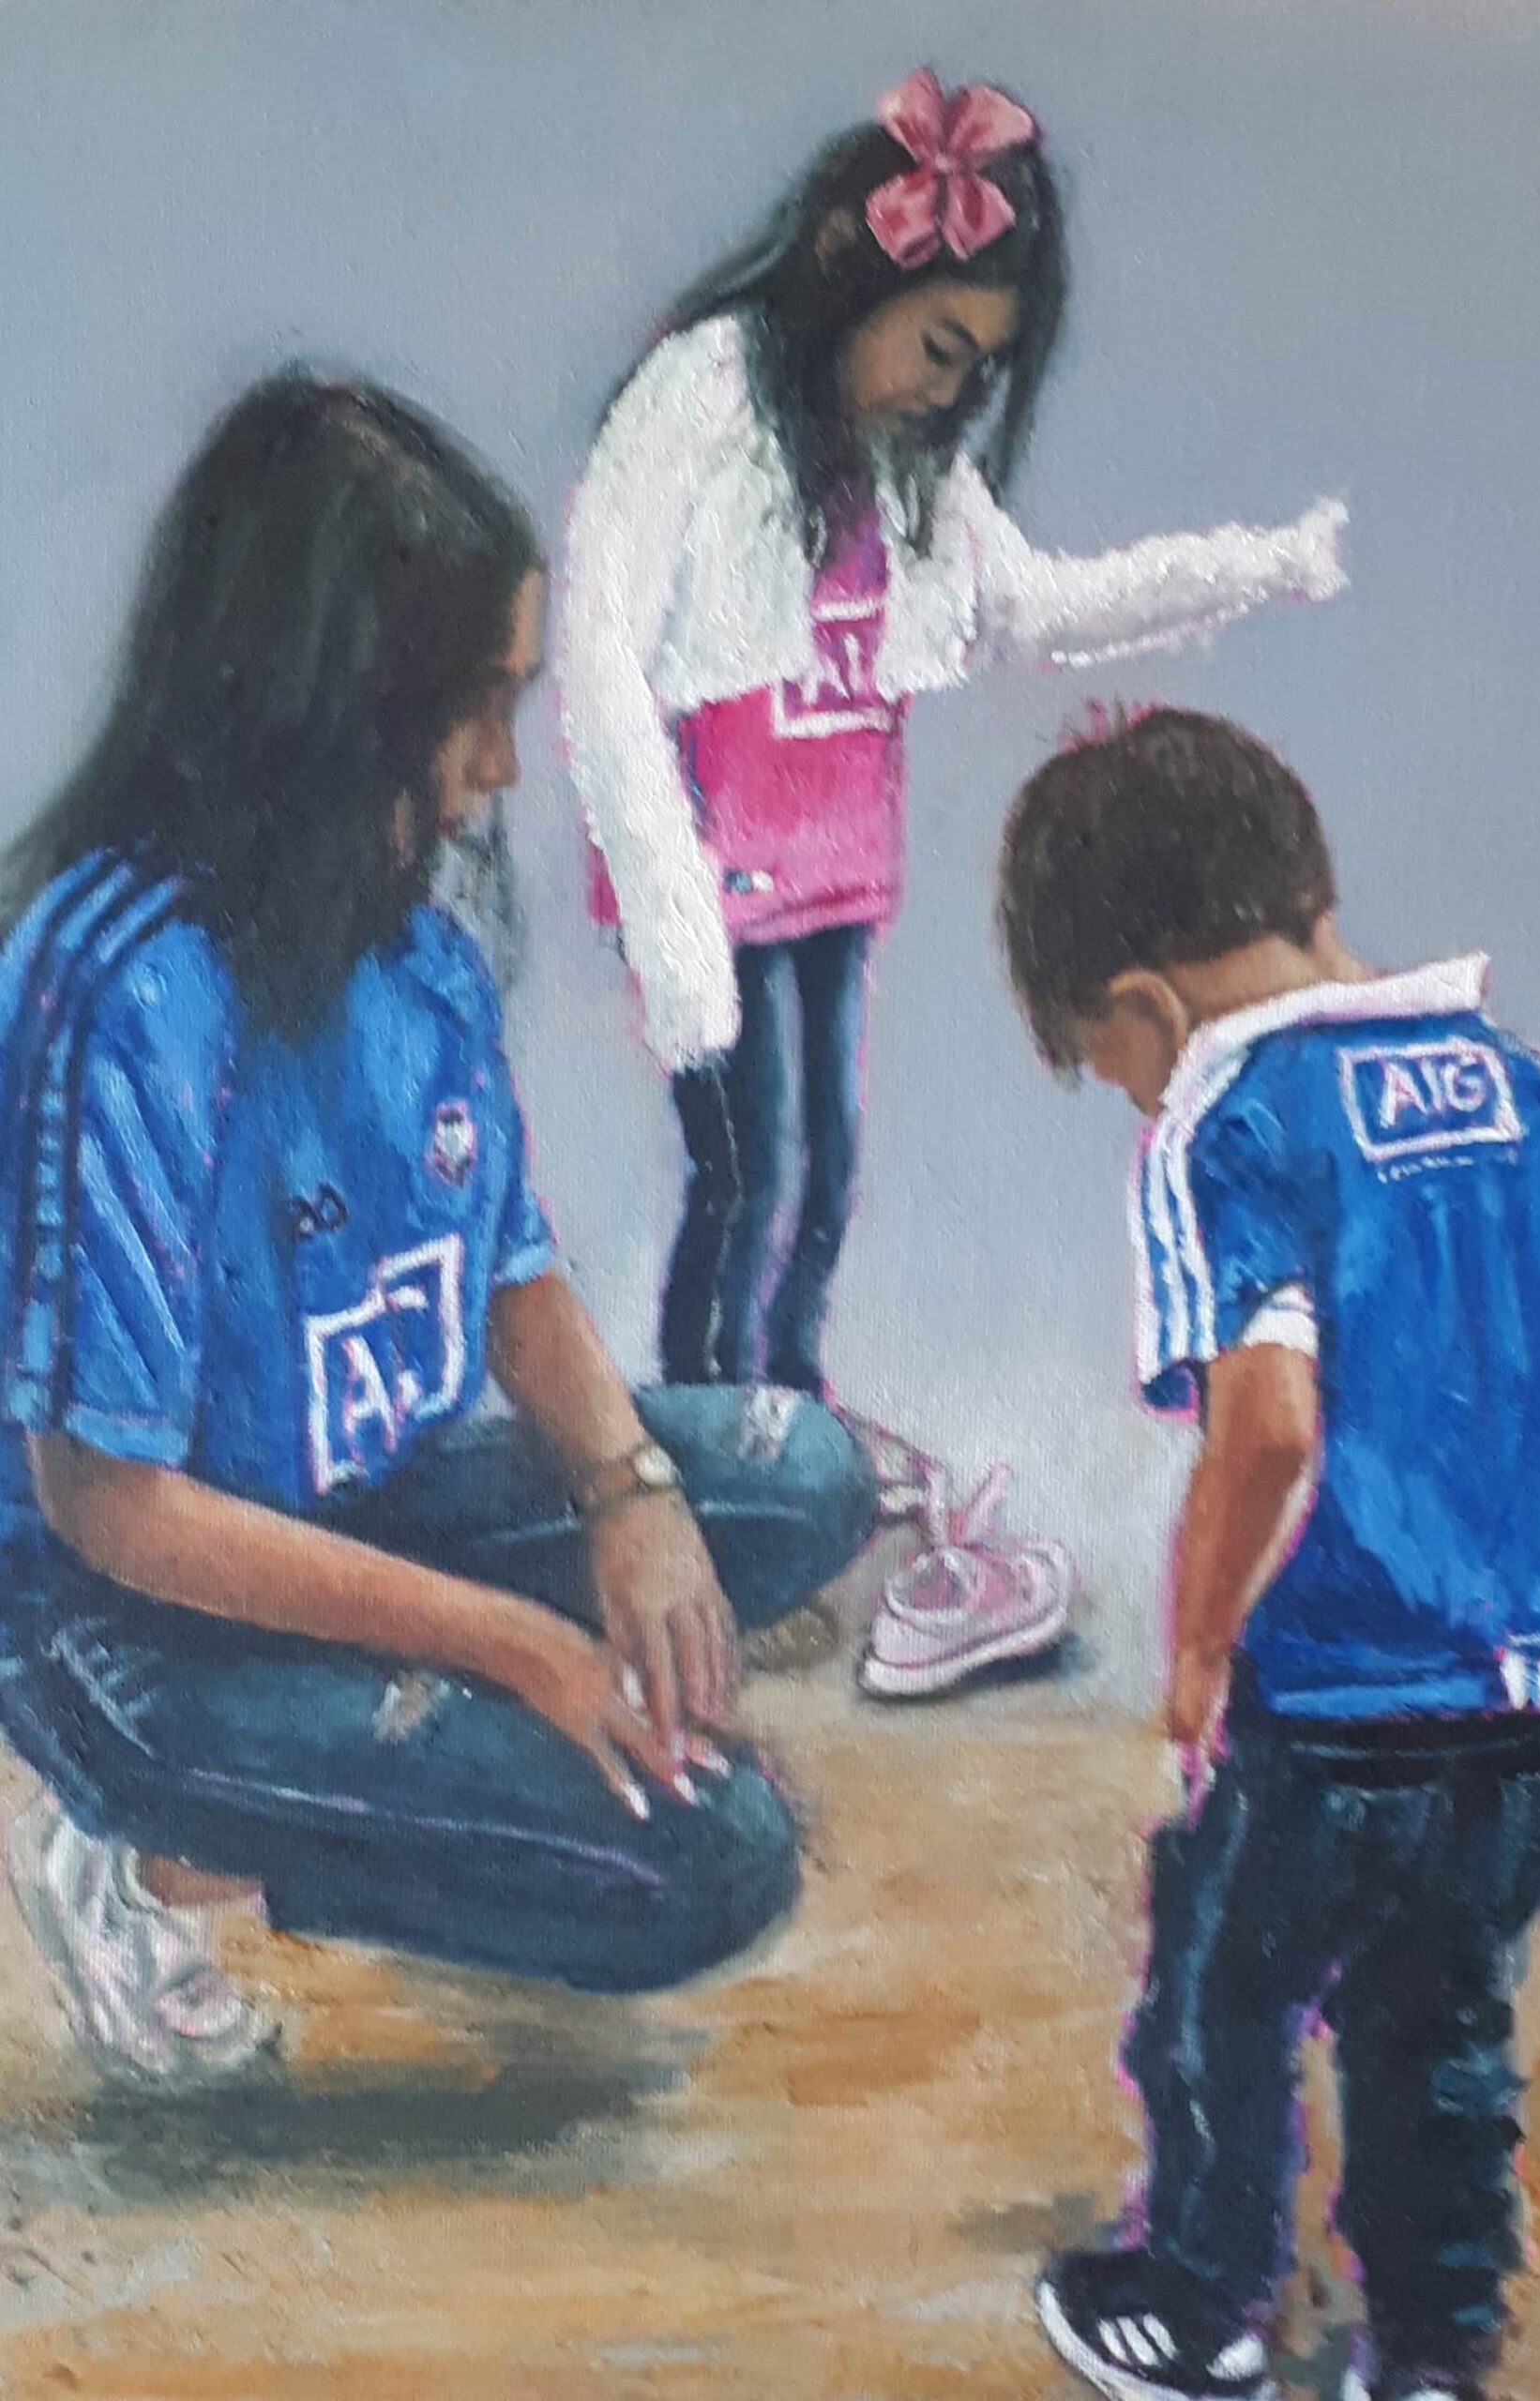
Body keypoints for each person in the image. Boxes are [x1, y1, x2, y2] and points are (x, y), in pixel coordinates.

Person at [0, 374, 881, 2091]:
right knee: (719, 1864)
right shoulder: (119, 986)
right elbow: (105, 1504)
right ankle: (143, 1854)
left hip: (358, 1516)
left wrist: (627, 1499)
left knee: (795, 1478)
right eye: (470, 710)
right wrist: (519, 1649)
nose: (500, 765)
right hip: (123, 1619)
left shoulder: (416, 944)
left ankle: (383, 1766)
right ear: (325, 709)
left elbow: (509, 1267)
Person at [994, 709, 1540, 2401]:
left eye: (1111, 1059)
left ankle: (1205, 2300)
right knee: (1443, 2024)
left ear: (1144, 1005)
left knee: (1221, 1982)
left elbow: (1266, 1425)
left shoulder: (1234, 1120)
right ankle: (1431, 2352)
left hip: (1341, 1700)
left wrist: (1199, 1643)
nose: (1129, 1091)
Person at [557, 67, 1348, 1412]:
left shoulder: (915, 469)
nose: (951, 393)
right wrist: (676, 926)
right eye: (939, 350)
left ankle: (789, 1411)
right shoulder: (703, 398)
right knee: (750, 1172)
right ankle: (713, 1436)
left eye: (978, 372)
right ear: (849, 277)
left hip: (832, 876)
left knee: (827, 1167)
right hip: (714, 873)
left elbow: (1040, 606)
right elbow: (600, 649)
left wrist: (1265, 564)